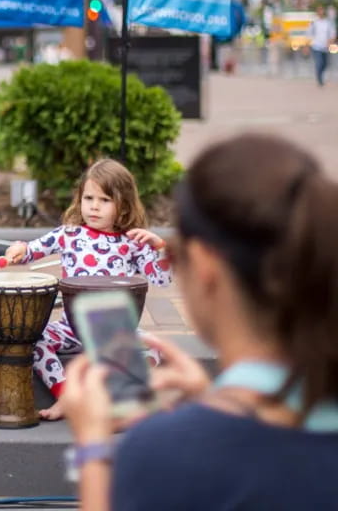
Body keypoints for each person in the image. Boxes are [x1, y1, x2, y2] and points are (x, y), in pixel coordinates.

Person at [61, 133, 338, 510]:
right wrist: (211, 399)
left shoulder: (166, 451)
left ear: (206, 267)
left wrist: (93, 450)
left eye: (177, 256)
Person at [2, 159, 170, 421]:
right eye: (88, 198)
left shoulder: (132, 242)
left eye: (105, 200)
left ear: (124, 205)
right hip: (71, 326)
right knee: (33, 341)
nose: (94, 206)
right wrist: (18, 249)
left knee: (155, 347)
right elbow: (32, 250)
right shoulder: (68, 234)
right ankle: (67, 397)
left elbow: (162, 279)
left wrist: (159, 247)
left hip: (114, 328)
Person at [309, 4, 334, 87]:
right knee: (319, 63)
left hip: (325, 47)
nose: (320, 12)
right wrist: (308, 44)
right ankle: (319, 79)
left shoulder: (328, 22)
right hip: (316, 46)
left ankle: (320, 75)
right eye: (319, 10)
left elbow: (332, 34)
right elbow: (309, 33)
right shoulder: (314, 22)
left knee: (325, 64)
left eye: (322, 10)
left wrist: (330, 42)